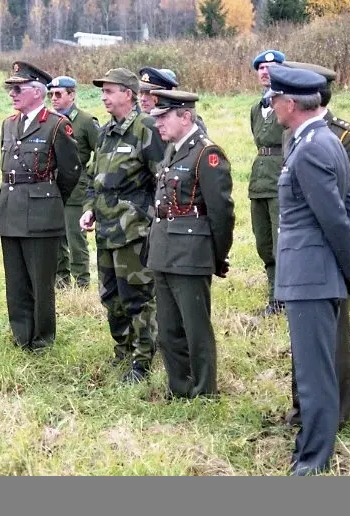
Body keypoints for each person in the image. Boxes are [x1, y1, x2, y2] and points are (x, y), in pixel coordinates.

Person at [266, 65, 350, 475]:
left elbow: (334, 215)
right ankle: (309, 448)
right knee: (318, 368)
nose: (273, 106)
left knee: (314, 375)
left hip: (310, 275)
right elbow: (348, 206)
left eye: (276, 100)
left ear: (291, 103)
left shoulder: (311, 147)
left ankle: (312, 462)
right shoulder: (323, 139)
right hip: (316, 271)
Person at [147, 89, 235, 398]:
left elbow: (221, 213)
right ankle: (179, 386)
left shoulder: (207, 154)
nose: (158, 125)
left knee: (195, 328)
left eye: (164, 117)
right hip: (163, 251)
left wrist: (217, 255)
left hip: (190, 254)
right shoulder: (173, 150)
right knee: (168, 328)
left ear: (186, 116)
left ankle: (204, 390)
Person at [80, 68, 165, 383]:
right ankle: (124, 350)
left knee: (138, 297)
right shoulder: (105, 131)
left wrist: (153, 223)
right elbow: (93, 178)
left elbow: (163, 180)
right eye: (102, 91)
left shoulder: (146, 129)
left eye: (110, 91)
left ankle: (142, 362)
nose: (103, 96)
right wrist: (89, 209)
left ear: (128, 94)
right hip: (105, 230)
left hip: (134, 233)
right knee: (111, 297)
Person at [0, 61, 81, 351]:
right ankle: (22, 335)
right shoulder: (9, 123)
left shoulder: (57, 125)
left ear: (36, 92)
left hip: (42, 213)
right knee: (15, 280)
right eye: (10, 89)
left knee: (41, 282)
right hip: (10, 210)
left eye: (17, 89)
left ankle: (42, 339)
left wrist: (51, 201)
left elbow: (71, 172)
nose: (12, 94)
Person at [48, 75, 99, 290]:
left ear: (72, 94)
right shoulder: (50, 120)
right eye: (51, 95)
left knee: (75, 236)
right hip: (53, 187)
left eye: (59, 94)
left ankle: (81, 281)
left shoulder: (86, 122)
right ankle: (61, 279)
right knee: (56, 235)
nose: (54, 99)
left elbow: (103, 154)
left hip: (77, 190)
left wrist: (89, 178)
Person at [249, 50, 288, 317]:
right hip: (259, 180)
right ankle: (274, 293)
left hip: (280, 177)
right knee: (263, 241)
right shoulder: (256, 108)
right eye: (261, 68)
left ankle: (283, 298)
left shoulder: (288, 102)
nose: (265, 71)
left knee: (280, 240)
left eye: (271, 67)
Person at [138, 67, 208, 133]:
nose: (143, 99)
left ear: (164, 95)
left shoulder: (186, 121)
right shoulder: (139, 120)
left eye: (149, 93)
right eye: (141, 93)